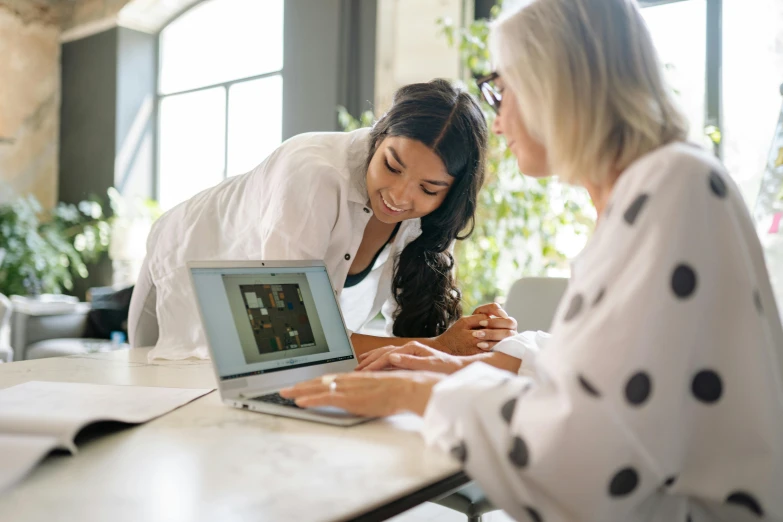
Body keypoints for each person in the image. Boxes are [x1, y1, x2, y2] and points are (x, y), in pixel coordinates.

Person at [281, 1, 783, 520]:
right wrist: (460, 367)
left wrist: (419, 393)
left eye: (505, 90)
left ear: (558, 86)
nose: (498, 123)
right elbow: (609, 390)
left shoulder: (668, 191)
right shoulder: (662, 186)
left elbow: (587, 462)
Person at [128, 79, 518, 361]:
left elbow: (405, 330)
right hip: (182, 261)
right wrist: (441, 347)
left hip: (268, 327)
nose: (400, 196)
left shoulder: (432, 217)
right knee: (158, 390)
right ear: (379, 136)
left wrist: (473, 336)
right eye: (392, 166)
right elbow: (292, 338)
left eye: (429, 189)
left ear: (450, 193)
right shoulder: (311, 174)